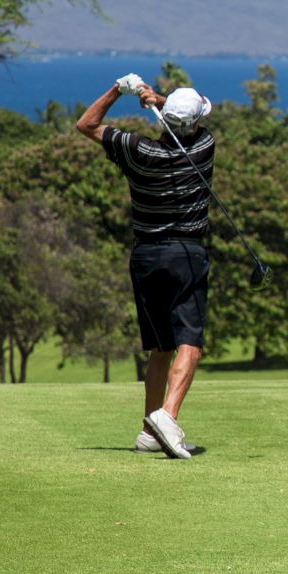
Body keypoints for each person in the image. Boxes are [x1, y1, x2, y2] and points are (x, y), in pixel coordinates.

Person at [75, 74, 215, 459]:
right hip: (186, 254)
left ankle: (148, 432)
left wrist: (117, 90)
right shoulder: (205, 146)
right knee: (190, 343)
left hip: (146, 257)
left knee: (159, 348)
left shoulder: (137, 151)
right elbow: (189, 125)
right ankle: (167, 417)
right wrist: (162, 100)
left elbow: (85, 124)